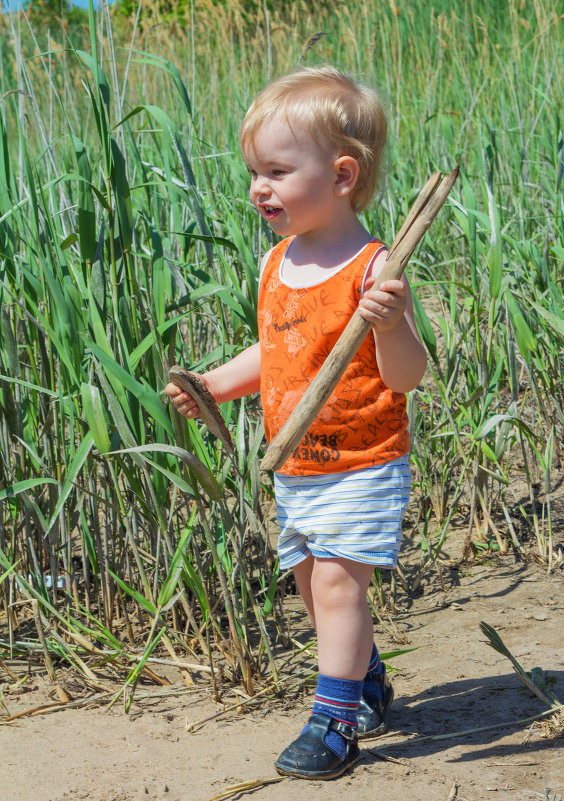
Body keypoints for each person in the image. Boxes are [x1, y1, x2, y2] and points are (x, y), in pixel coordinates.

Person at [166, 66, 427, 780]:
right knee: (313, 585)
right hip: (298, 462)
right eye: (255, 171)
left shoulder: (374, 270)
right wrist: (216, 383)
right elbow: (278, 352)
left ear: (343, 175)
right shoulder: (276, 262)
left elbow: (407, 377)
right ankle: (364, 676)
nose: (259, 187)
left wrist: (392, 324)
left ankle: (334, 718)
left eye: (278, 171)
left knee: (342, 586)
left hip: (363, 458)